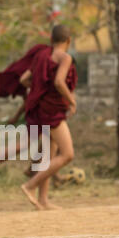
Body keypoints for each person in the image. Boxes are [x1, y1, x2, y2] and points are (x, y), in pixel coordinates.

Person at [21, 25, 78, 211]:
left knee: (49, 153)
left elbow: (24, 79)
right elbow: (59, 82)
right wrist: (71, 101)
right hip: (53, 111)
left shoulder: (42, 55)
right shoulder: (66, 57)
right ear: (68, 41)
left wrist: (41, 92)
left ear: (51, 39)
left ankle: (43, 199)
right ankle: (30, 186)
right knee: (67, 154)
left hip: (42, 107)